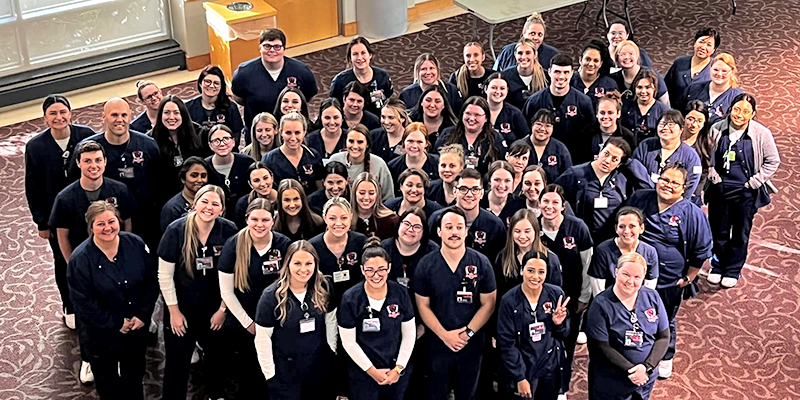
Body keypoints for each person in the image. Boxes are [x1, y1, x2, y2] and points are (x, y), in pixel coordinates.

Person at [50, 140, 138, 383]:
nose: (93, 165)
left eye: (98, 160)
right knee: (90, 317)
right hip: (86, 268)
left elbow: (128, 223)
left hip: (118, 263)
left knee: (120, 308)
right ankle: (88, 359)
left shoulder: (119, 190)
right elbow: (62, 234)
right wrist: (73, 267)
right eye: (87, 160)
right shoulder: (66, 197)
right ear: (78, 163)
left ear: (105, 162)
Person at [625, 163, 712, 379]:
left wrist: (689, 277)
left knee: (664, 318)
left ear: (684, 188)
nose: (668, 185)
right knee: (630, 314)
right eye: (664, 180)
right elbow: (623, 222)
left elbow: (702, 250)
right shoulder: (641, 198)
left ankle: (665, 355)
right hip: (633, 277)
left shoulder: (692, 213)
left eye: (675, 183)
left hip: (668, 281)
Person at [67, 201, 158, 399]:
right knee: (106, 382)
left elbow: (151, 281)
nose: (107, 228)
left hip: (136, 327)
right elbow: (83, 303)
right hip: (101, 333)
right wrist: (116, 323)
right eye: (100, 224)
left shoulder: (136, 244)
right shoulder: (80, 259)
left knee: (134, 376)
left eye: (111, 221)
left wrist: (143, 314)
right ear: (91, 227)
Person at [157, 185, 238, 400]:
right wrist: (174, 312)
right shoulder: (176, 230)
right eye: (204, 201)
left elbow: (234, 273)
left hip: (215, 307)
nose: (209, 207)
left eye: (215, 204)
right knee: (177, 361)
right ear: (194, 204)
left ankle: (216, 395)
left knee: (217, 357)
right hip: (181, 306)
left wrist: (223, 309)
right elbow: (164, 275)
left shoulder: (229, 230)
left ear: (222, 209)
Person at [25, 94, 94, 329]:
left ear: (70, 113)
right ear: (45, 117)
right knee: (63, 260)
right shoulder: (36, 146)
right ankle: (70, 305)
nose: (59, 117)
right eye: (53, 113)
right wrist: (41, 223)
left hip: (88, 211)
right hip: (57, 217)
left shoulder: (85, 135)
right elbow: (32, 187)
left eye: (62, 112)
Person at [413, 206, 497, 400]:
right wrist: (445, 335)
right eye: (449, 227)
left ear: (466, 231)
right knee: (435, 392)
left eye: (459, 227)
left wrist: (467, 333)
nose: (454, 232)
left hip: (471, 342)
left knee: (467, 394)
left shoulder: (481, 263)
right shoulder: (426, 265)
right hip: (437, 342)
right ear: (439, 231)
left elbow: (489, 304)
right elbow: (422, 305)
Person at [218, 198, 292, 395]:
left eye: (265, 220)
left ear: (273, 220)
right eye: (255, 219)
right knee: (249, 374)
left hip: (277, 318)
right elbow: (226, 291)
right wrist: (249, 324)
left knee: (277, 371)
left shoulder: (283, 244)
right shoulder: (233, 245)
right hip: (245, 321)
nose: (260, 225)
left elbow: (292, 283)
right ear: (246, 219)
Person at [706, 93, 780, 288]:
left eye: (746, 111)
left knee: (739, 232)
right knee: (718, 230)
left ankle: (733, 269)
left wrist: (754, 182)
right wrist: (712, 172)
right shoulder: (716, 128)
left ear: (753, 114)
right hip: (719, 189)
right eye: (737, 109)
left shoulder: (761, 134)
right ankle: (718, 265)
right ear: (730, 109)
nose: (740, 114)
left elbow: (773, 161)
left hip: (745, 191)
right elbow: (707, 156)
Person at [254, 240, 338, 400]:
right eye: (297, 263)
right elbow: (262, 339)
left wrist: (331, 352)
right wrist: (270, 375)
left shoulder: (324, 286)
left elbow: (331, 322)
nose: (303, 269)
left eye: (309, 263)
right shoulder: (271, 296)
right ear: (287, 264)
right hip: (284, 372)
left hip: (317, 368)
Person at [338, 238, 417, 400]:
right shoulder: (350, 299)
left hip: (395, 370)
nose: (376, 275)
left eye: (381, 269)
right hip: (363, 373)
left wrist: (398, 369)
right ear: (362, 270)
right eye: (370, 270)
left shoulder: (400, 294)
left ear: (389, 268)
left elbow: (409, 334)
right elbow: (348, 342)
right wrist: (372, 371)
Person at [586, 253, 669, 400]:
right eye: (626, 274)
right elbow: (601, 346)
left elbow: (663, 336)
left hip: (644, 378)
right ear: (616, 272)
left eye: (637, 277)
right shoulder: (600, 305)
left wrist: (647, 368)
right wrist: (632, 371)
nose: (631, 281)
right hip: (612, 381)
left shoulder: (652, 297)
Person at [81, 98, 161, 249]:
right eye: (114, 115)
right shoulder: (89, 150)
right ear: (104, 117)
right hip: (105, 223)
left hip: (145, 218)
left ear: (130, 116)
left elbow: (158, 183)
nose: (120, 120)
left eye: (124, 115)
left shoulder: (148, 145)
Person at [537, 184, 594, 396]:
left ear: (563, 206)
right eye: (545, 201)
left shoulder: (577, 227)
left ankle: (561, 387)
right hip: (540, 299)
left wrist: (584, 296)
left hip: (570, 297)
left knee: (566, 345)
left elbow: (588, 264)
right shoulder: (534, 228)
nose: (549, 206)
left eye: (555, 202)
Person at [497, 250, 569, 400]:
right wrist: (520, 377)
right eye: (530, 270)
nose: (536, 277)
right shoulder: (509, 301)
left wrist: (559, 324)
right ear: (522, 270)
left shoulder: (556, 295)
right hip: (524, 366)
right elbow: (506, 344)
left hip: (549, 367)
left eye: (541, 272)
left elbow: (565, 334)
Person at [232, 28, 318, 131]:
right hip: (257, 132)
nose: (272, 50)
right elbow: (238, 98)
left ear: (284, 48)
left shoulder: (301, 71)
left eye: (277, 47)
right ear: (260, 48)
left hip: (291, 131)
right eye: (267, 46)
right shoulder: (244, 73)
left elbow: (308, 97)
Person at [555, 137, 633, 243]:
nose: (607, 160)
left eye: (614, 159)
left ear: (619, 164)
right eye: (606, 154)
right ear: (600, 151)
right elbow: (554, 196)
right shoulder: (575, 174)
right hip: (579, 236)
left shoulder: (622, 180)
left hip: (609, 239)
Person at [428, 168, 508, 263]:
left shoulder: (495, 226)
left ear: (482, 193)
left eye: (475, 189)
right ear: (455, 191)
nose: (469, 194)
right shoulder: (437, 219)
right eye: (463, 189)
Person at [523, 54, 595, 158]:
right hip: (539, 158)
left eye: (566, 72)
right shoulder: (534, 101)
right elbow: (525, 130)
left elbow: (590, 134)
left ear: (572, 73)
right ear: (549, 72)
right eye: (557, 72)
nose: (561, 77)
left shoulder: (584, 102)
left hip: (575, 157)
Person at [587, 206, 659, 295]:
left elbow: (649, 288)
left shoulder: (650, 252)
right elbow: (598, 290)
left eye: (632, 226)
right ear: (616, 229)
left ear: (641, 228)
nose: (626, 231)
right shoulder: (603, 251)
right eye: (622, 226)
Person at [631, 110, 702, 198]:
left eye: (671, 124)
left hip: (674, 205)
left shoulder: (691, 156)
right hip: (643, 199)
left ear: (681, 129)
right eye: (662, 124)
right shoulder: (645, 145)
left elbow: (690, 186)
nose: (665, 128)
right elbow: (635, 171)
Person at [311, 197, 368, 305]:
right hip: (325, 305)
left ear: (351, 217)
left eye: (343, 218)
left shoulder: (361, 241)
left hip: (356, 302)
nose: (338, 223)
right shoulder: (313, 246)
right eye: (332, 218)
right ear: (324, 218)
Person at [496, 209, 563, 299]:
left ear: (536, 231)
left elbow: (555, 293)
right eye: (517, 231)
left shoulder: (550, 259)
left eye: (527, 231)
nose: (522, 236)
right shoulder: (503, 257)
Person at [150, 94, 209, 194]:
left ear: (183, 114)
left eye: (176, 113)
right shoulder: (151, 140)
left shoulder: (199, 133)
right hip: (166, 191)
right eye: (167, 113)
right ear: (160, 115)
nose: (171, 117)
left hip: (199, 188)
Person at [437, 96, 508, 175]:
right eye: (468, 113)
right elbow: (437, 160)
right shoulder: (448, 134)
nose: (471, 118)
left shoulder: (495, 138)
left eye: (477, 115)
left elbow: (502, 167)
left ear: (486, 118)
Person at [330, 36, 394, 116]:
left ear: (370, 55)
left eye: (363, 53)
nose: (360, 58)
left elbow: (389, 103)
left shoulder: (383, 77)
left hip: (379, 122)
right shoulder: (340, 81)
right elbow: (334, 107)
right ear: (350, 58)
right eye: (355, 54)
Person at [329, 124, 395, 200]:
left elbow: (388, 197)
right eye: (351, 141)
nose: (355, 146)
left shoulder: (379, 164)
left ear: (367, 144)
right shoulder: (335, 159)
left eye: (360, 142)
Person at [262, 112, 323, 192]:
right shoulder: (269, 160)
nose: (293, 138)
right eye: (288, 133)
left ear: (304, 132)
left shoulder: (313, 155)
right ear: (281, 132)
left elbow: (320, 188)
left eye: (297, 133)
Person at [382, 208, 440, 291]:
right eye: (406, 224)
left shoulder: (433, 252)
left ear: (423, 232)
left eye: (417, 227)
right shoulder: (384, 249)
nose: (410, 229)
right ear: (399, 225)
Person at [676, 52, 743, 125]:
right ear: (710, 69)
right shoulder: (693, 88)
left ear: (732, 72)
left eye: (724, 71)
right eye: (716, 70)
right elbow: (678, 112)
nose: (719, 74)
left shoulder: (738, 97)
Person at [186, 65, 245, 144]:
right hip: (197, 152)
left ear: (221, 87)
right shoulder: (188, 107)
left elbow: (235, 137)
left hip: (224, 149)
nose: (211, 86)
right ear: (200, 83)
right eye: (208, 81)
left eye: (216, 83)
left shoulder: (231, 108)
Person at [665, 27, 721, 107]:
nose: (703, 47)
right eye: (701, 42)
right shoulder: (680, 63)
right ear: (695, 43)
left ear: (713, 50)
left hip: (700, 115)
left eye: (709, 45)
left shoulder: (716, 69)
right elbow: (666, 89)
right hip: (675, 112)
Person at [206, 125, 253, 216]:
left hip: (246, 214)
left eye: (226, 139)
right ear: (210, 145)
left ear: (233, 142)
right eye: (216, 141)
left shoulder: (247, 162)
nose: (222, 144)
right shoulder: (205, 166)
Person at [160, 156, 214, 232]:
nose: (200, 180)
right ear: (183, 179)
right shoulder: (172, 208)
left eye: (203, 176)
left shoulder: (212, 202)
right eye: (194, 175)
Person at [581, 91, 636, 165]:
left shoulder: (628, 137)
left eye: (610, 113)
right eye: (602, 113)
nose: (606, 117)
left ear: (618, 114)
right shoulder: (586, 133)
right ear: (597, 114)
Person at [494, 12, 559, 72]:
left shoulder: (552, 54)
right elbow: (495, 74)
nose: (536, 38)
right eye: (532, 34)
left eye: (540, 34)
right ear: (524, 33)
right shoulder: (507, 51)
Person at [609, 41, 669, 106]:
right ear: (617, 58)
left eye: (631, 54)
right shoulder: (613, 79)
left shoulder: (652, 76)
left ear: (637, 56)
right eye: (623, 54)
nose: (627, 57)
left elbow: (666, 106)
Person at [621, 69, 671, 143]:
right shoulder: (626, 107)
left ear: (654, 88)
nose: (643, 91)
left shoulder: (664, 111)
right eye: (640, 87)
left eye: (647, 87)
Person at [523, 109, 573, 183]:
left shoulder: (561, 149)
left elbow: (568, 177)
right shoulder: (519, 146)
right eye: (539, 124)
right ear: (532, 124)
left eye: (548, 125)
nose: (542, 129)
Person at [571, 39, 619, 110]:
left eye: (596, 61)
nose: (591, 64)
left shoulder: (609, 85)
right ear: (580, 60)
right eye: (587, 59)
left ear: (600, 63)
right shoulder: (569, 81)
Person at [351, 172, 400, 240]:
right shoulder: (345, 218)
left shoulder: (391, 220)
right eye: (362, 193)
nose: (366, 197)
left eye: (371, 193)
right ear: (354, 193)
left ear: (377, 194)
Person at [501, 40, 549, 110]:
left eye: (528, 53)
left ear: (535, 54)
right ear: (515, 55)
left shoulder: (547, 77)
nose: (523, 57)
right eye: (520, 53)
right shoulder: (505, 76)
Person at [681, 100, 713, 204]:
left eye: (699, 121)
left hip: (693, 192)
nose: (694, 125)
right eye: (691, 119)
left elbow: (703, 174)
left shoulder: (707, 145)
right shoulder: (672, 139)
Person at [485, 72, 530, 142]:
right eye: (494, 88)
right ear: (486, 89)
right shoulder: (477, 110)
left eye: (502, 88)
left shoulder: (515, 114)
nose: (498, 91)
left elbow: (525, 140)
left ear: (507, 90)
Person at [233, 162, 279, 228]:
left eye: (265, 178)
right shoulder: (243, 204)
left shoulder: (285, 199)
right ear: (250, 184)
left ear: (272, 178)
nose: (263, 184)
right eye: (256, 180)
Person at [307, 98, 347, 162]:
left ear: (342, 118)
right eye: (327, 118)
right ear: (321, 118)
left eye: (336, 117)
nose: (332, 122)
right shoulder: (310, 140)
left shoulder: (350, 138)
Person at [371, 98, 410, 163]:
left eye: (391, 118)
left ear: (402, 118)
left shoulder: (410, 139)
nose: (386, 122)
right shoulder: (374, 136)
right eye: (383, 117)